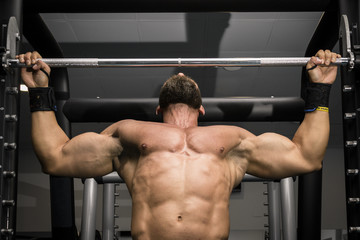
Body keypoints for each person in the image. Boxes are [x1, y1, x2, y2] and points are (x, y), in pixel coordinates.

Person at [18, 49, 340, 240]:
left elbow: (306, 157)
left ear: (202, 109)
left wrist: (320, 89)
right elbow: (55, 158)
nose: (182, 71)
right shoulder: (128, 135)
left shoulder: (234, 142)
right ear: (157, 109)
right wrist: (38, 92)